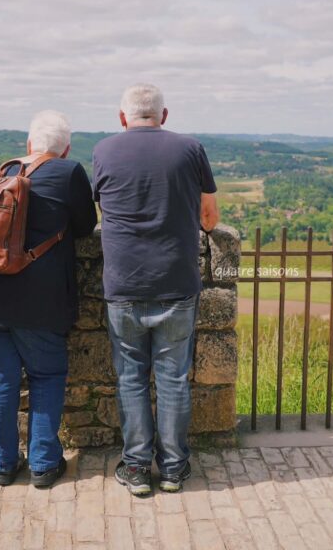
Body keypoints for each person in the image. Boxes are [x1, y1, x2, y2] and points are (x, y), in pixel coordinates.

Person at [0, 110, 97, 488]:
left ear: (28, 145)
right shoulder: (69, 173)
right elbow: (86, 226)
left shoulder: (6, 171)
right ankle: (44, 465)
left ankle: (2, 466)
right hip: (39, 299)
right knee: (46, 374)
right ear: (65, 149)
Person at [92, 83, 219, 496]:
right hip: (177, 281)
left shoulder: (104, 151)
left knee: (130, 379)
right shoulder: (190, 149)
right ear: (163, 116)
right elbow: (210, 219)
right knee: (173, 380)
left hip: (124, 284)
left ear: (123, 117)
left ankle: (135, 467)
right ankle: (173, 469)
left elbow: (102, 206)